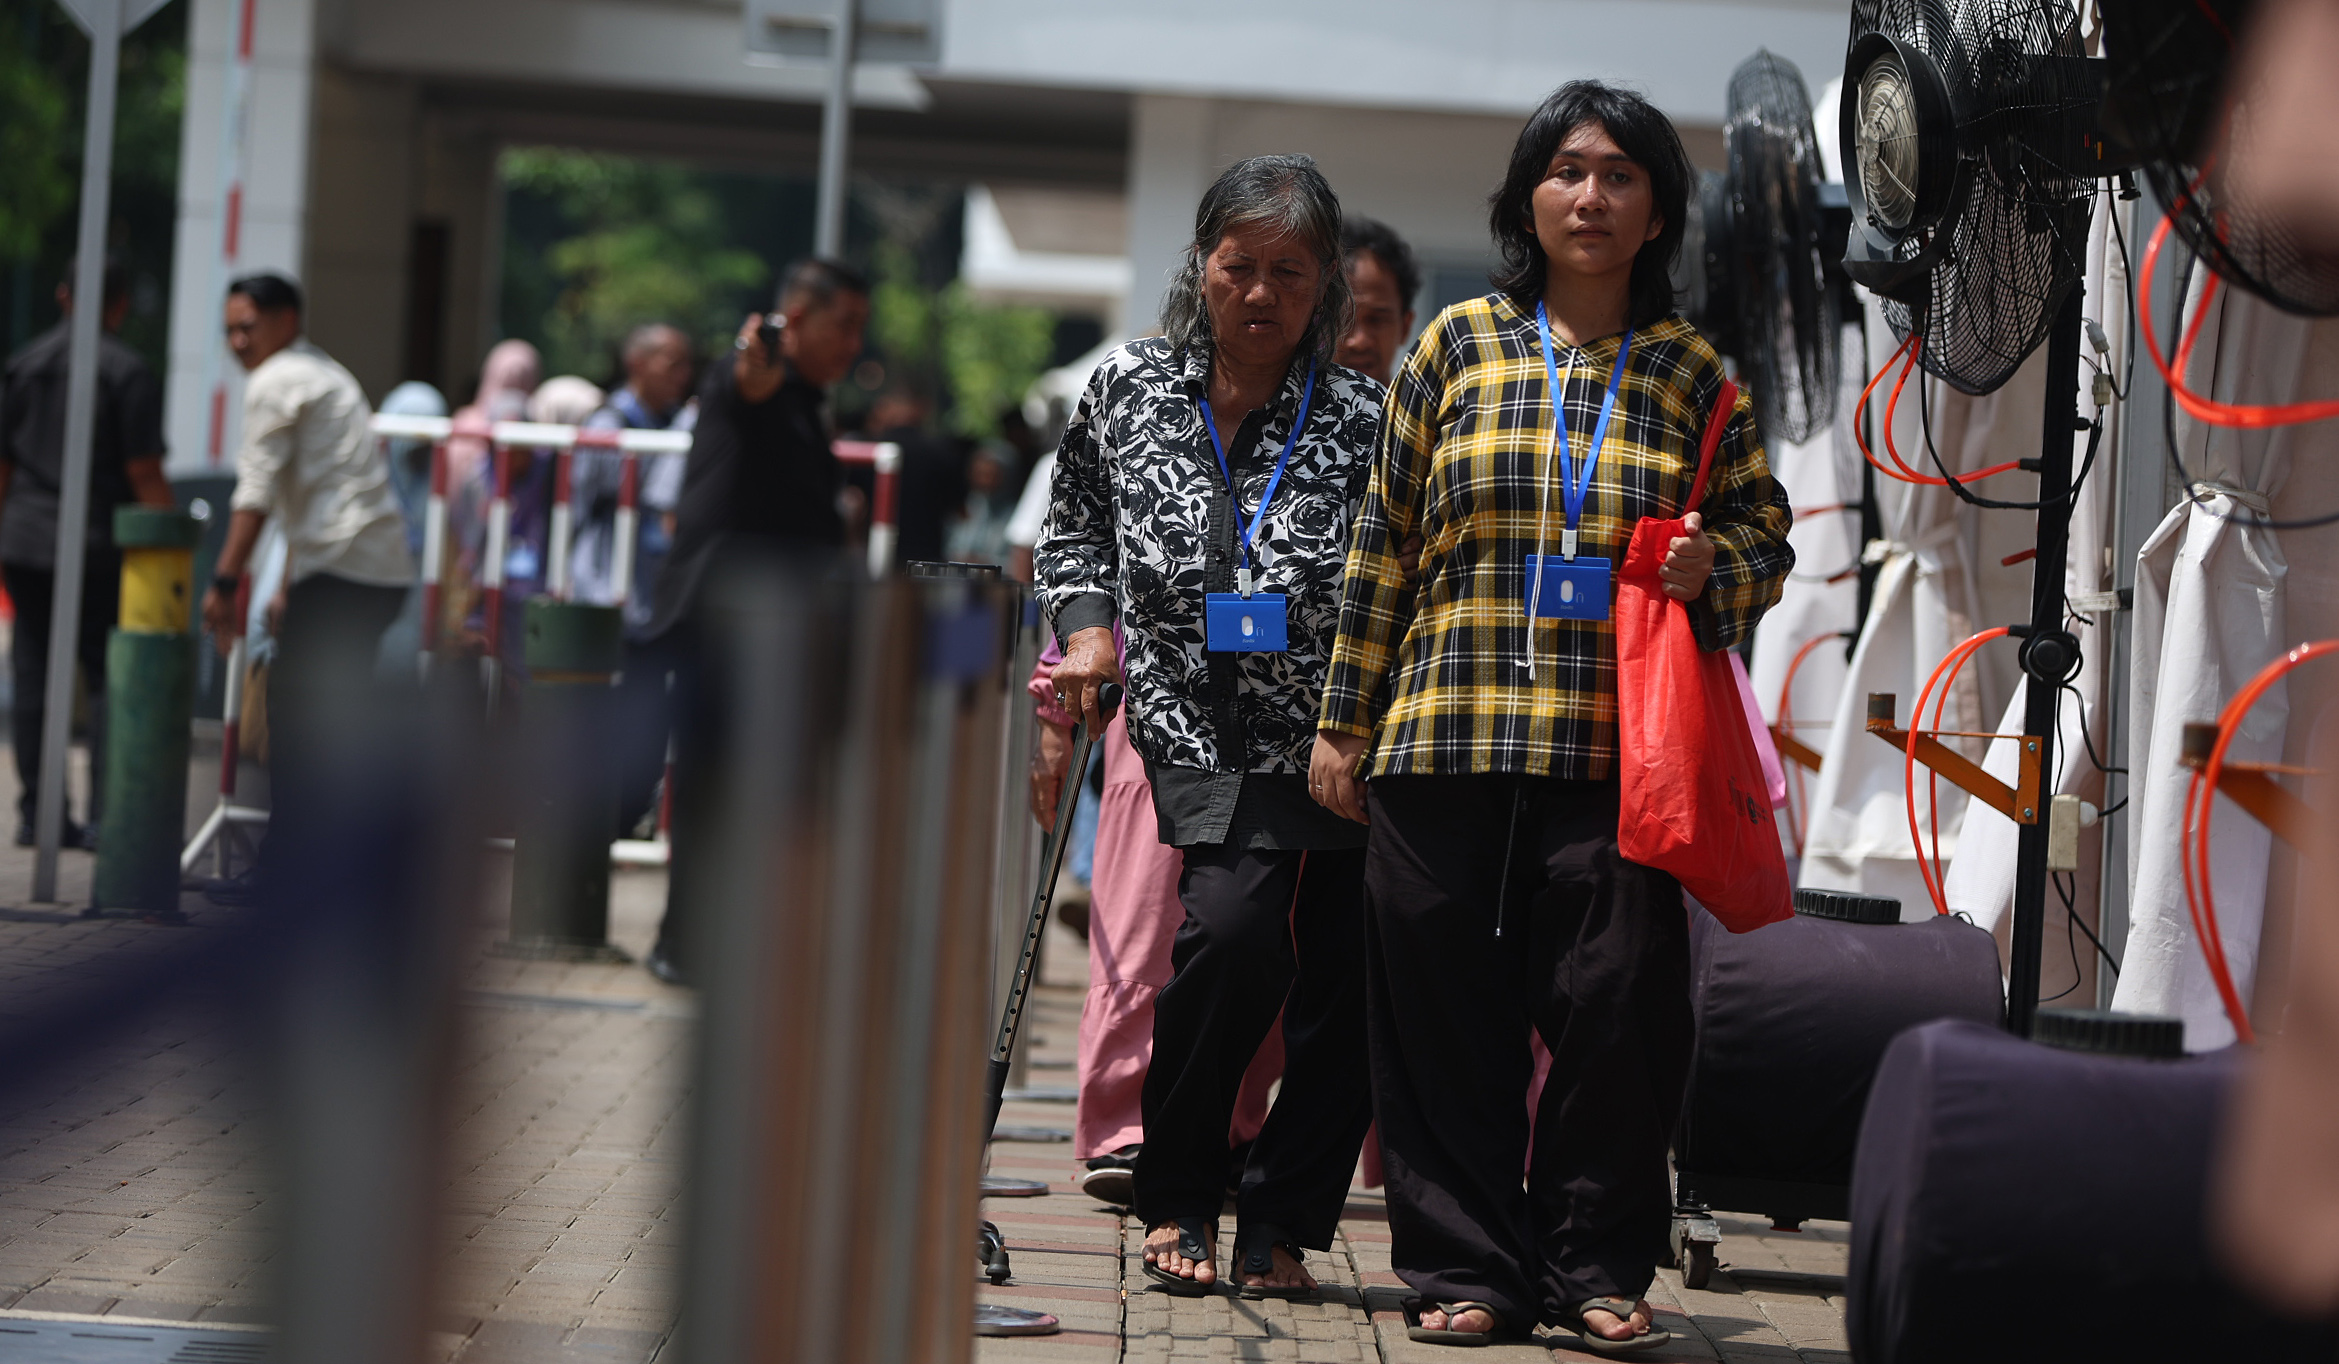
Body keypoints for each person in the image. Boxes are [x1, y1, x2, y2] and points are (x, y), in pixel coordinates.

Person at [1311, 82, 1792, 1351]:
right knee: (1436, 1012)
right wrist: (1342, 721)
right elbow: (1384, 542)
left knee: (1620, 1000)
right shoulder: (1455, 343)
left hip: (1616, 750)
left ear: (1654, 214)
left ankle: (1591, 1260)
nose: (1592, 195)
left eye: (1621, 175)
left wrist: (1712, 571)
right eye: (1567, 170)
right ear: (1528, 197)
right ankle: (1466, 1265)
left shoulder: (1695, 373)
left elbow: (1764, 537)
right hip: (1440, 732)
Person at [1038, 154, 1381, 1298]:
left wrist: (1363, 719)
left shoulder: (1361, 417)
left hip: (1333, 741)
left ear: (1322, 281)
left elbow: (1401, 571)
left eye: (1290, 270)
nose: (1261, 292)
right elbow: (1074, 523)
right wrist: (1088, 630)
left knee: (1350, 981)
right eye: (1240, 265)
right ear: (1202, 264)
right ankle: (1180, 1182)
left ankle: (1284, 1212)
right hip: (1192, 727)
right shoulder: (1130, 387)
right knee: (1231, 942)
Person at [640, 258, 871, 985]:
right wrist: (754, 363)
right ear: (795, 320)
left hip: (780, 625)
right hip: (723, 621)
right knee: (715, 786)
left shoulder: (808, 400)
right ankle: (684, 944)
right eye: (843, 326)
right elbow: (748, 383)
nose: (853, 345)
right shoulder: (747, 379)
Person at [200, 273, 417, 891]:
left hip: (347, 569)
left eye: (249, 327)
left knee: (300, 721)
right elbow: (317, 490)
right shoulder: (321, 371)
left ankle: (295, 873)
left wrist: (224, 580)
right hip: (367, 570)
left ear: (286, 321)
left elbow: (258, 490)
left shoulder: (278, 380)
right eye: (230, 331)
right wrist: (287, 583)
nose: (239, 343)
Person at [0, 257, 175, 846]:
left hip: (25, 540)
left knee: (33, 675)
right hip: (100, 544)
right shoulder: (127, 371)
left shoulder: (24, 364)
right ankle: (106, 815)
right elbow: (145, 472)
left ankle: (36, 814)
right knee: (105, 680)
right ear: (120, 304)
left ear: (62, 295)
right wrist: (172, 553)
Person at [856, 385, 966, 567]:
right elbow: (959, 510)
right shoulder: (942, 453)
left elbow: (856, 505)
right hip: (926, 560)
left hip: (874, 555)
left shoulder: (870, 451)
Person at [1335, 215, 1421, 383]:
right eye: (1343, 320)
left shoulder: (1430, 409)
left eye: (1376, 320)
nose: (1359, 342)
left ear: (1405, 327)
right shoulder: (1283, 407)